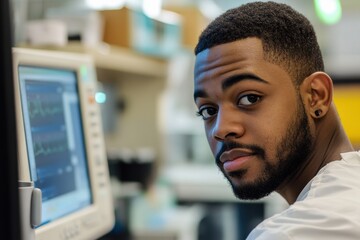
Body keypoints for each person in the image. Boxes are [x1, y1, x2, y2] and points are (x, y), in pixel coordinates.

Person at [193, 1, 360, 239]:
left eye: (249, 98)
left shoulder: (301, 231)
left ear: (316, 97)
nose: (221, 129)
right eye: (208, 111)